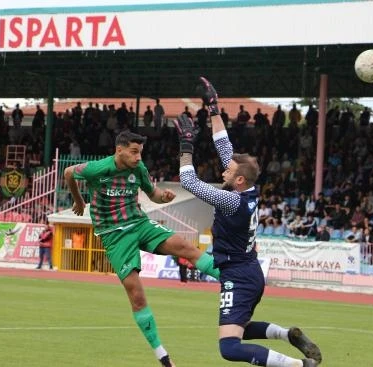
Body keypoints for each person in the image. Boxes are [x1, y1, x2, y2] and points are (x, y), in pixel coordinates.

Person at [174, 77, 321, 367]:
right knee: (239, 327)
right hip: (248, 271)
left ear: (239, 179)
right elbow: (223, 145)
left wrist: (186, 145)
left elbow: (188, 180)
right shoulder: (247, 189)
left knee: (229, 347)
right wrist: (213, 107)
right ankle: (286, 334)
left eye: (227, 170)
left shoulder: (231, 201)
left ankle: (299, 365)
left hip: (239, 275)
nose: (223, 169)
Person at [63, 130, 220, 367]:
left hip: (139, 223)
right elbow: (68, 172)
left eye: (140, 153)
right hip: (113, 235)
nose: (138, 158)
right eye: (134, 152)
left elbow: (153, 194)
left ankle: (232, 278)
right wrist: (77, 200)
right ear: (120, 150)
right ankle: (162, 356)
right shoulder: (98, 169)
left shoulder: (139, 169)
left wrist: (163, 197)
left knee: (183, 245)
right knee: (136, 294)